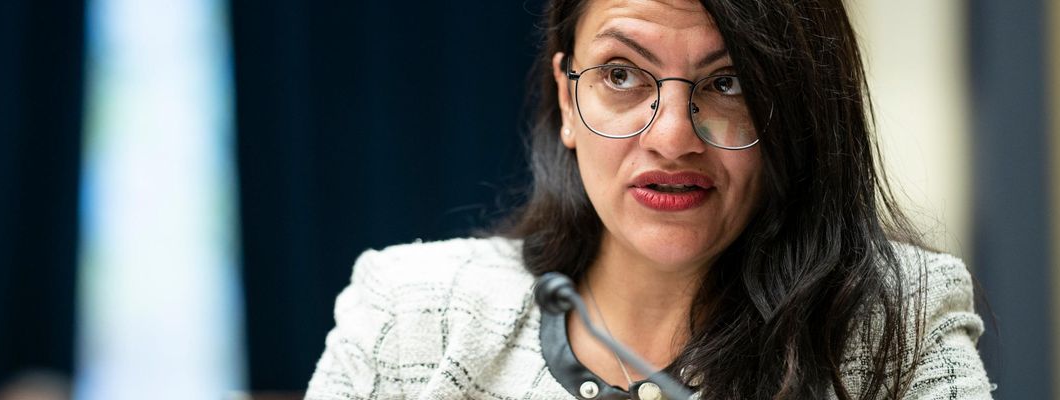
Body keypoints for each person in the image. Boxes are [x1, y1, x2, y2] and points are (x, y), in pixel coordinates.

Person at [306, 0, 994, 398]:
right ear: (567, 100)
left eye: (728, 84)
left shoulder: (897, 323)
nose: (671, 137)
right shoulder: (408, 313)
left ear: (799, 110)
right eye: (620, 74)